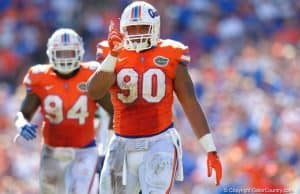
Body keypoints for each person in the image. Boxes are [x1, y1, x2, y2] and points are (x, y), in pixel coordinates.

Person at [87, 1, 222, 193]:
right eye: (132, 28)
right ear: (124, 30)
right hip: (122, 142)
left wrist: (210, 149)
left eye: (143, 27)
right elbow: (94, 92)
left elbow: (190, 103)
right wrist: (113, 56)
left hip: (160, 140)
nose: (138, 32)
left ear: (155, 27)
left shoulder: (171, 53)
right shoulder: (112, 52)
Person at [14, 28, 113, 194]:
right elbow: (24, 113)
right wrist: (21, 124)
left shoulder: (91, 73)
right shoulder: (39, 76)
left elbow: (111, 111)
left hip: (84, 150)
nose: (66, 59)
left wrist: (106, 146)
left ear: (79, 52)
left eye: (69, 53)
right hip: (52, 151)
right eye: (61, 54)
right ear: (51, 54)